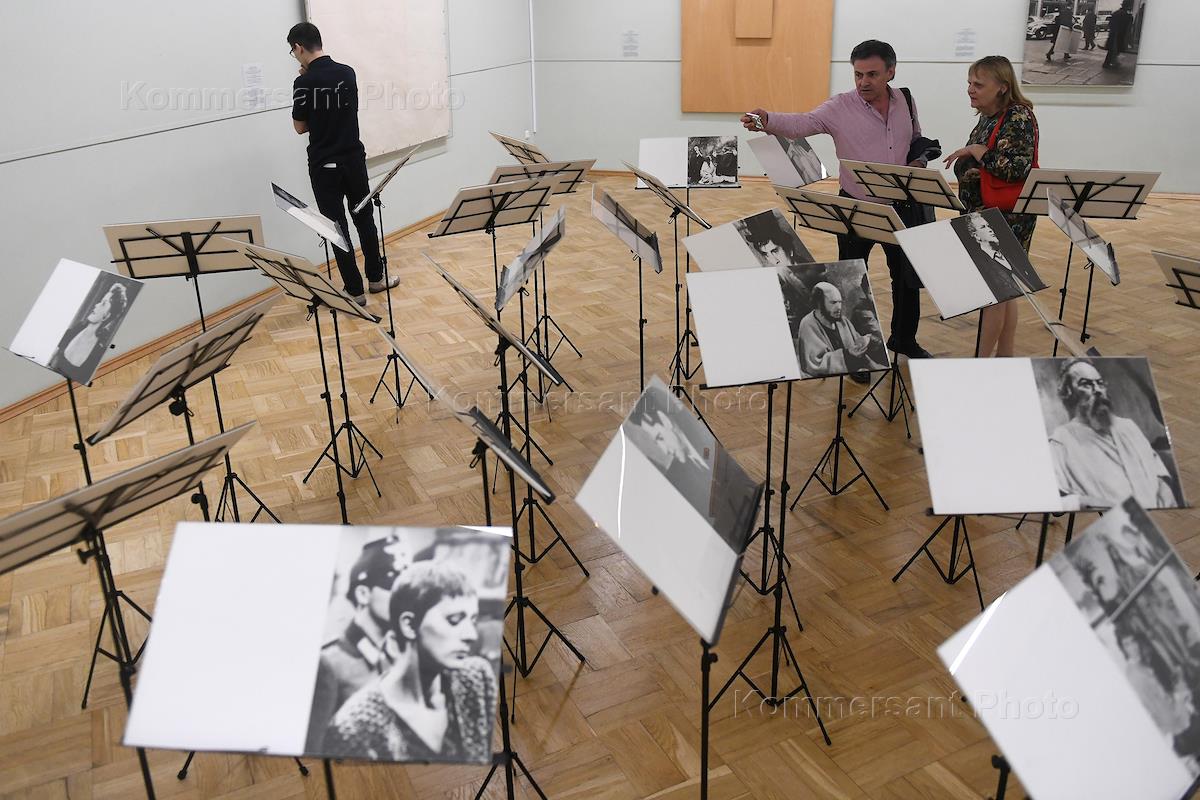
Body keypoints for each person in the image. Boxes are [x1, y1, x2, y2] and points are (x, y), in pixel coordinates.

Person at [741, 40, 934, 361]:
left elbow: (915, 138)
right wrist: (768, 119)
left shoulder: (906, 100)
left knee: (905, 280)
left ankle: (904, 341)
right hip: (855, 207)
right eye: (858, 74)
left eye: (872, 74)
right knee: (848, 282)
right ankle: (852, 354)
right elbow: (802, 124)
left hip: (900, 206)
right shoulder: (839, 107)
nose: (863, 82)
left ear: (891, 72)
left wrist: (918, 161)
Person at [323, 561, 496, 763]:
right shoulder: (355, 727)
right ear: (409, 625)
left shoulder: (476, 679)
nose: (471, 635)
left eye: (473, 620)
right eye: (454, 620)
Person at [288, 22, 399, 306]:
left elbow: (300, 127)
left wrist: (307, 86)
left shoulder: (303, 83)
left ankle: (355, 291)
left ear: (299, 47)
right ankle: (376, 278)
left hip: (324, 165)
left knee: (336, 228)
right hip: (353, 160)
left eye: (293, 51)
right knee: (365, 219)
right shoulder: (347, 72)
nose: (295, 56)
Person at [945, 56, 1040, 358]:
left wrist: (977, 151)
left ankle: (981, 362)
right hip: (984, 213)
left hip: (1006, 217)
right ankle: (1004, 356)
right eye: (969, 83)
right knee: (1005, 292)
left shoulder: (1018, 117)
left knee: (996, 293)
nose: (970, 89)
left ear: (1002, 87)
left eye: (978, 84)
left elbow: (1016, 168)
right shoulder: (988, 116)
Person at [305, 536, 412, 751]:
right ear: (363, 594)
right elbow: (315, 748)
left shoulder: (401, 657)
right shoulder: (330, 664)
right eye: (393, 587)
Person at [1047, 359, 1178, 510]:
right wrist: (1087, 503)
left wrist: (1166, 497)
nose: (1097, 390)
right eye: (1086, 384)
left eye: (1100, 383)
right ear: (1069, 393)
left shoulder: (1128, 427)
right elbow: (1057, 499)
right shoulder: (1061, 441)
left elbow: (1158, 473)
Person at [796, 282, 885, 377]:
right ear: (819, 303)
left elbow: (857, 344)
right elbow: (814, 365)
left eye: (840, 302)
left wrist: (868, 341)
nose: (839, 307)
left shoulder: (843, 321)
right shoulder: (807, 324)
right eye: (833, 302)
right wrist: (848, 354)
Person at [50, 283, 130, 381]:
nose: (96, 305)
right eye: (100, 301)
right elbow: (50, 357)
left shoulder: (98, 353)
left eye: (103, 304)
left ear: (106, 316)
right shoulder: (76, 329)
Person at [1104, 0, 1135, 69]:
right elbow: (1128, 30)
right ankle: (1111, 63)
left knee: (1112, 51)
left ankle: (1110, 62)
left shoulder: (1115, 13)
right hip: (1120, 36)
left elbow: (1110, 24)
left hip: (1113, 34)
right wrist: (1130, 41)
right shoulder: (1128, 16)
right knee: (1115, 50)